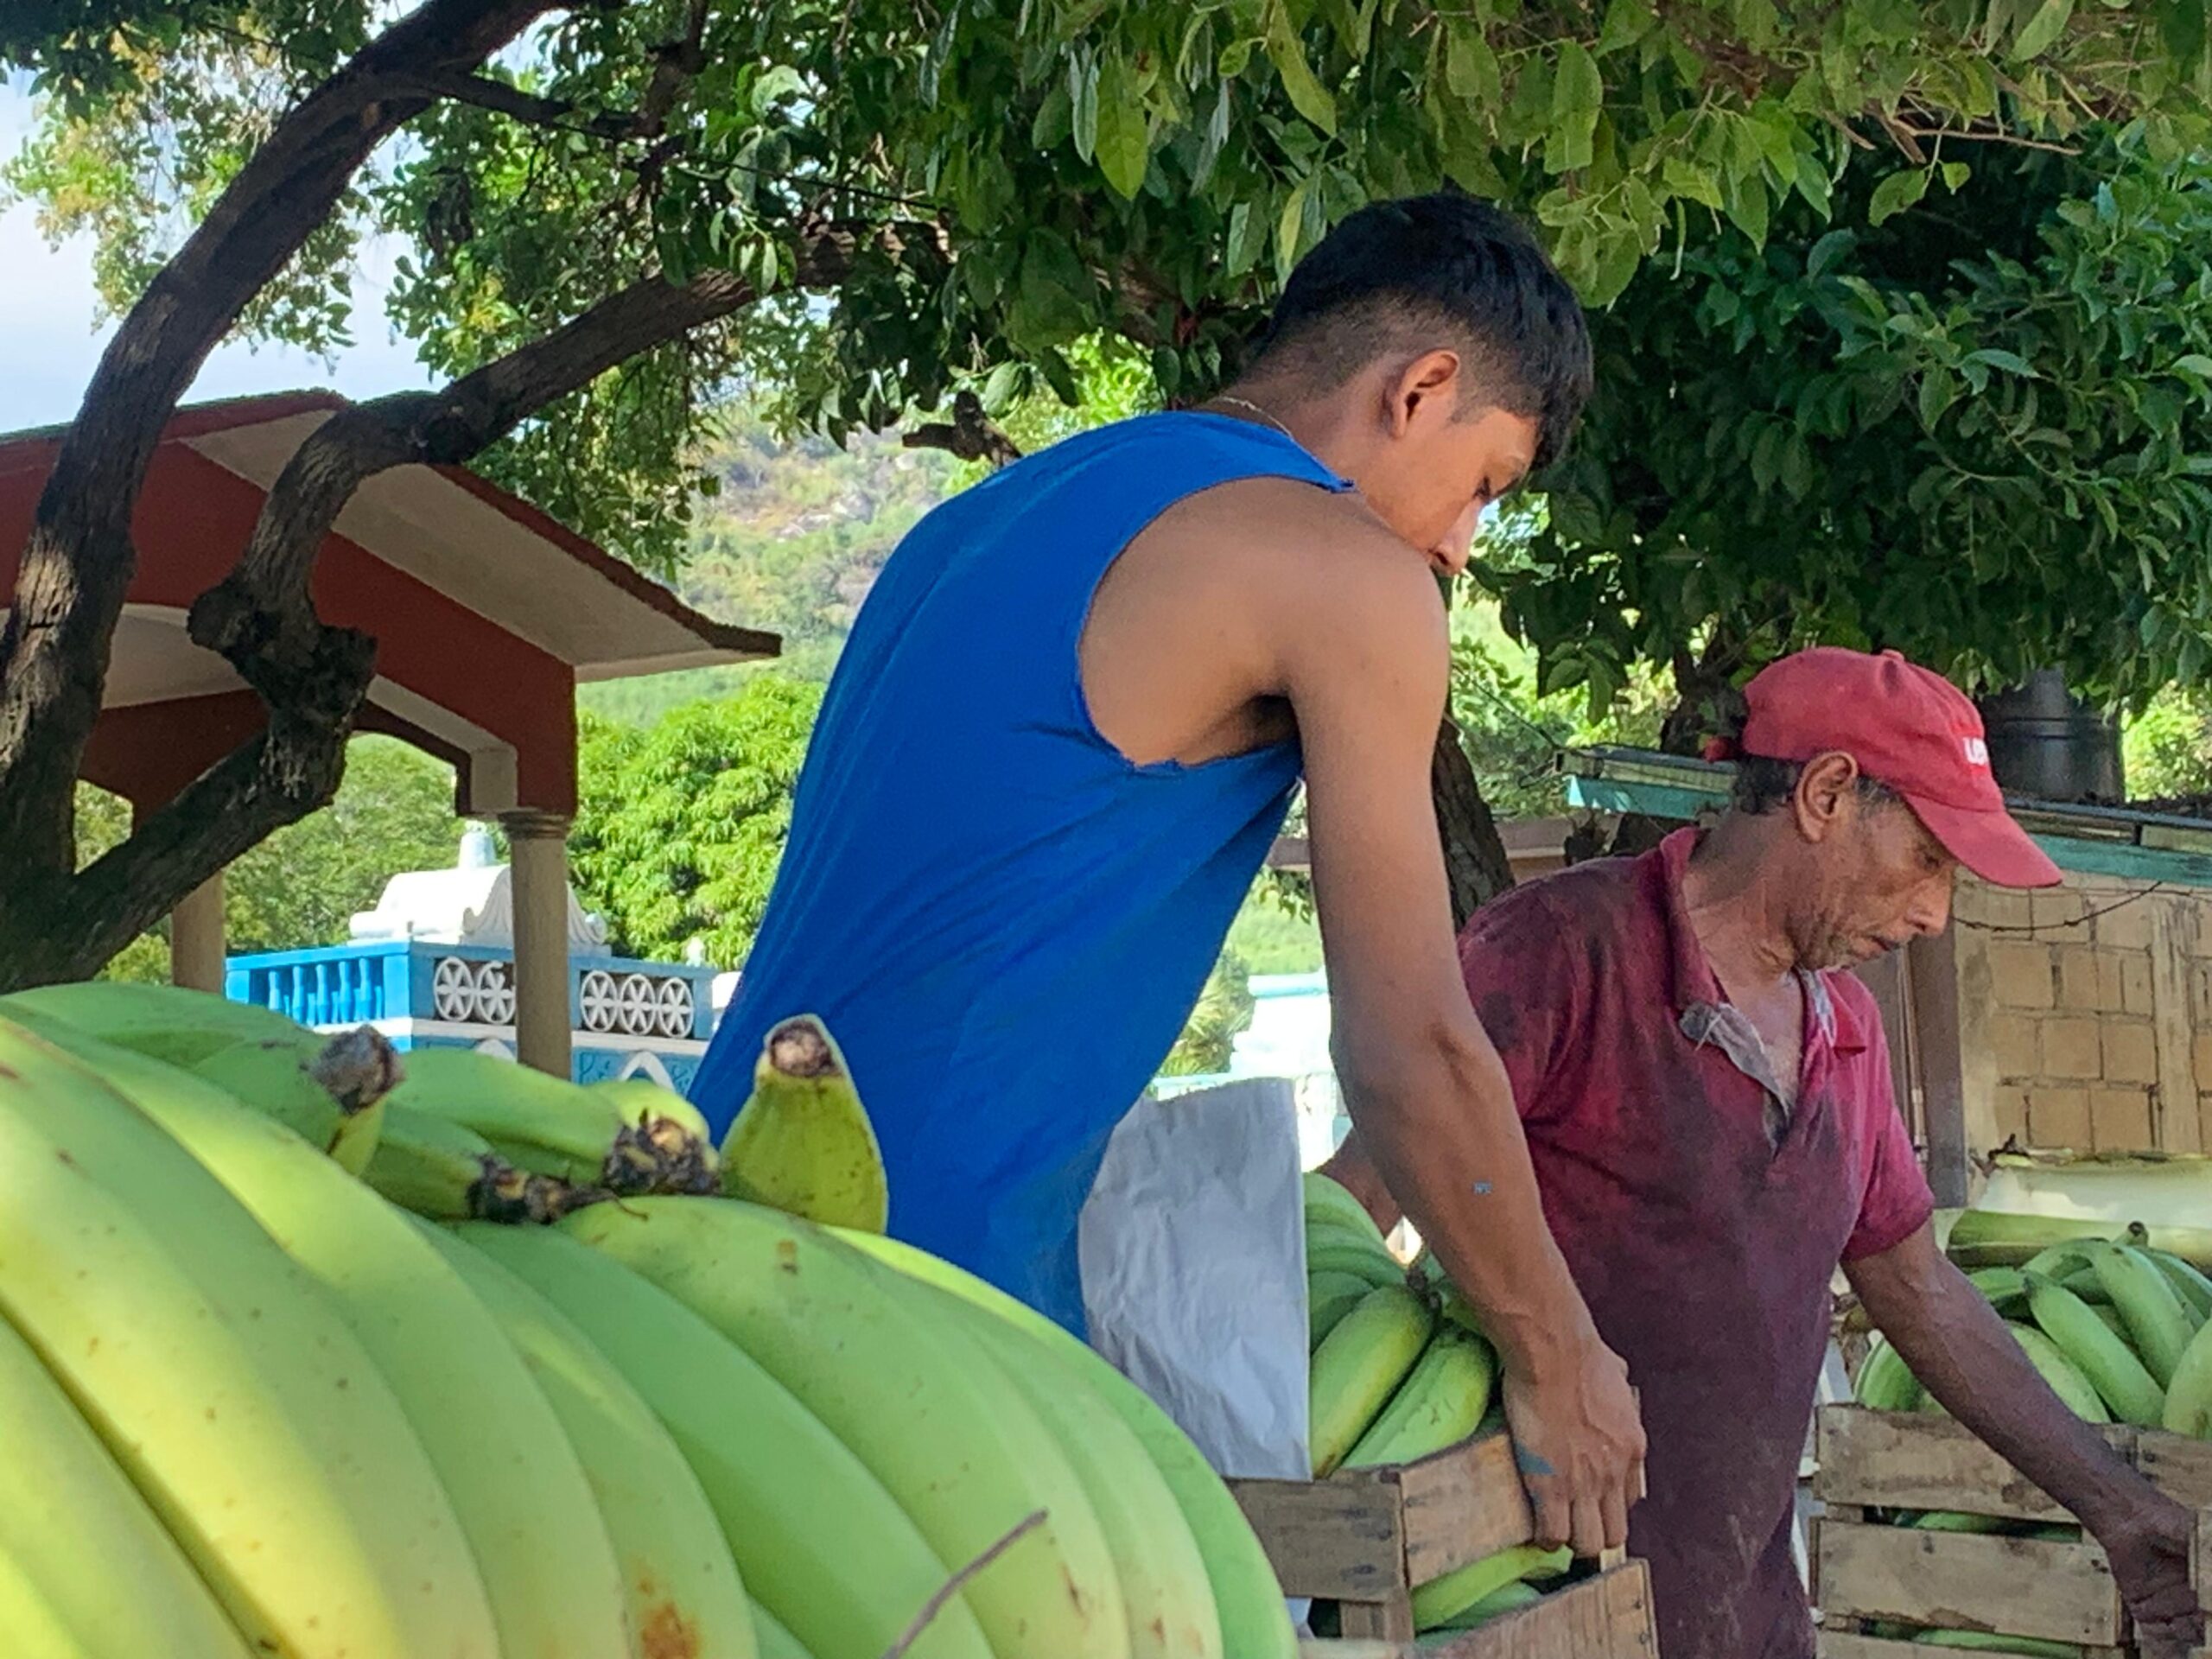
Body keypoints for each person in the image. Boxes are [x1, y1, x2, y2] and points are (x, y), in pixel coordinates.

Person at [690, 191, 1648, 1555]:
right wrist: (1559, 1360)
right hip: (917, 1314)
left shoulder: (981, 519)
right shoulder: (1347, 575)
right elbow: (1410, 1050)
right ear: (1421, 390)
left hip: (706, 1233)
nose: (1455, 543)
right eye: (1481, 487)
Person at [1324, 647, 2203, 1659]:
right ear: (1828, 792)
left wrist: (2120, 1511)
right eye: (1926, 859)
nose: (1933, 915)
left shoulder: (1850, 1035)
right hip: (1539, 1616)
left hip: (1749, 1621)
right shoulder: (1562, 950)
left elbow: (1919, 1294)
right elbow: (1359, 1198)